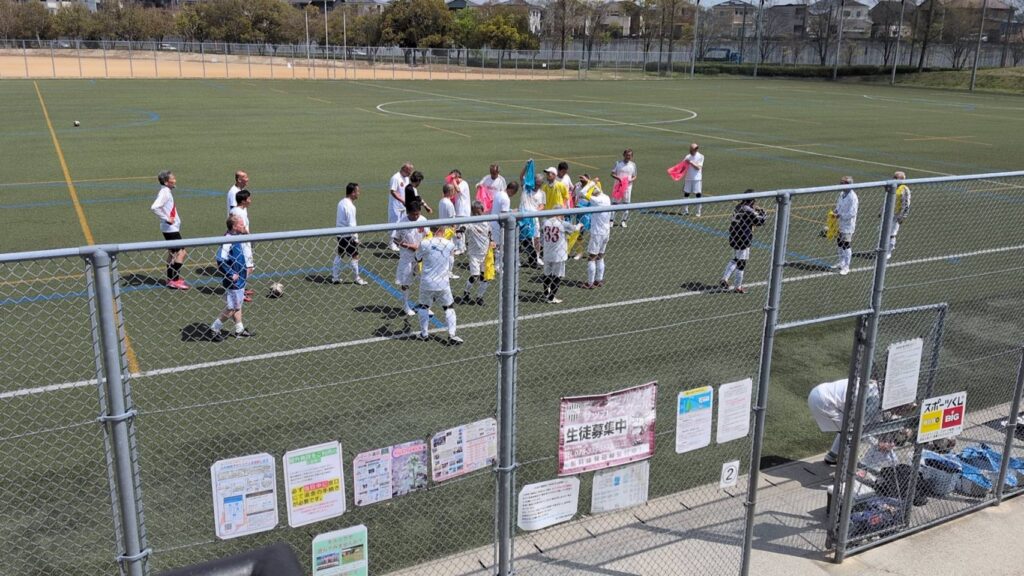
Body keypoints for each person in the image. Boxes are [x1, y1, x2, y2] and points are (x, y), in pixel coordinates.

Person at [807, 378, 884, 466]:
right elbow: (862, 429)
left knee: (847, 427)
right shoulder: (875, 400)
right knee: (850, 433)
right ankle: (848, 469)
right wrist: (877, 443)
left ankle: (832, 456)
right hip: (825, 401)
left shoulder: (874, 387)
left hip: (820, 391)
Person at [415, 226, 463, 345]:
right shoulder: (449, 244)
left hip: (427, 281)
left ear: (432, 231)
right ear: (443, 231)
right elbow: (451, 257)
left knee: (424, 306)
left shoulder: (425, 243)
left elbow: (417, 258)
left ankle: (424, 334)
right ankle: (452, 335)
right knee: (449, 307)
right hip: (443, 282)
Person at [209, 214, 253, 340]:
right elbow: (220, 259)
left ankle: (239, 330)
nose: (244, 226)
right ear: (234, 226)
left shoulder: (237, 237)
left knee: (238, 304)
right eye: (241, 224)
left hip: (240, 278)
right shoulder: (228, 239)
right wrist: (230, 273)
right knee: (232, 307)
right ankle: (214, 328)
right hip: (234, 280)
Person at [720, 190, 767, 294]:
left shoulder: (738, 207)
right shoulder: (749, 211)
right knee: (741, 263)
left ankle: (725, 278)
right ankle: (738, 286)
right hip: (743, 238)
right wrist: (763, 214)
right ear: (752, 200)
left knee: (735, 259)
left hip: (734, 236)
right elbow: (760, 221)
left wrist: (754, 210)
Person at [150, 170, 189, 290]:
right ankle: (175, 280)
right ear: (167, 182)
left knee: (172, 253)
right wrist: (167, 218)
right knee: (181, 252)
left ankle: (170, 279)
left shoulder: (166, 191)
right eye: (173, 178)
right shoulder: (165, 193)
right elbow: (154, 207)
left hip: (169, 228)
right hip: (170, 229)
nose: (175, 180)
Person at [393, 204, 429, 316]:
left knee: (424, 280)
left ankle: (424, 304)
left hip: (421, 255)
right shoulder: (402, 223)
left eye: (418, 214)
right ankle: (405, 305)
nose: (416, 216)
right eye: (414, 214)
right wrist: (407, 245)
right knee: (405, 282)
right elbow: (395, 239)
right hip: (406, 257)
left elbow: (428, 235)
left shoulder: (423, 220)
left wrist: (420, 246)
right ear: (408, 213)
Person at [332, 183, 369, 286]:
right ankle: (357, 278)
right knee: (355, 256)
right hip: (348, 236)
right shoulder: (350, 206)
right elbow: (352, 224)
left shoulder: (341, 202)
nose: (359, 193)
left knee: (340, 254)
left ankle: (335, 277)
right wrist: (355, 238)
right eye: (357, 191)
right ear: (353, 193)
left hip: (340, 234)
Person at [540, 215, 582, 304]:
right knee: (557, 276)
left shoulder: (545, 222)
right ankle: (551, 298)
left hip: (547, 252)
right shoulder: (562, 223)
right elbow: (574, 229)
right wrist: (579, 225)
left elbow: (542, 234)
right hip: (559, 255)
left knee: (547, 274)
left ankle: (546, 293)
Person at [461, 201, 494, 305]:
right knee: (475, 276)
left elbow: (489, 233)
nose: (477, 215)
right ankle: (466, 293)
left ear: (482, 211)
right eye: (474, 213)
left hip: (485, 254)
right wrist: (460, 231)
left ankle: (480, 297)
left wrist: (492, 241)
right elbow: (463, 227)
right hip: (474, 254)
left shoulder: (486, 222)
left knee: (485, 277)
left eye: (478, 212)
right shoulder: (470, 222)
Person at [583, 178, 612, 289]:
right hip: (606, 231)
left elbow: (583, 193)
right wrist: (591, 181)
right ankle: (599, 280)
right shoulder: (606, 197)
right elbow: (598, 190)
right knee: (600, 256)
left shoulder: (596, 200)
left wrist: (590, 183)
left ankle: (590, 283)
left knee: (591, 257)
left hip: (597, 232)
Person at [229, 190, 256, 302]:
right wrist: (250, 237)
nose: (250, 200)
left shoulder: (237, 210)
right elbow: (242, 228)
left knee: (245, 268)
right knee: (248, 268)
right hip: (243, 243)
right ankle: (239, 290)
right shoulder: (239, 212)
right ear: (243, 201)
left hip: (240, 242)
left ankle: (241, 289)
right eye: (249, 198)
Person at [490, 180, 518, 275]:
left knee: (494, 246)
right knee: (499, 246)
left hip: (492, 222)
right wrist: (512, 212)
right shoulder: (506, 199)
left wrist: (510, 210)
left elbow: (500, 209)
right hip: (498, 225)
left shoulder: (499, 193)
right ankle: (497, 266)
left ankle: (492, 264)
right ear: (512, 190)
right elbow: (504, 215)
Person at [834, 176, 859, 275]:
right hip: (839, 223)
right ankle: (841, 262)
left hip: (848, 225)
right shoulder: (842, 194)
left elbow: (852, 213)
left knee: (846, 245)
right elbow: (838, 205)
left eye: (842, 183)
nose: (840, 185)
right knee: (839, 243)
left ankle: (846, 266)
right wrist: (836, 211)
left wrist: (840, 215)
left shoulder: (853, 197)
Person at [388, 162, 414, 250]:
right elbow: (393, 191)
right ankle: (391, 243)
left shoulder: (406, 178)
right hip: (395, 206)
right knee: (394, 224)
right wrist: (402, 201)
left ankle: (400, 242)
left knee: (403, 224)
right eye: (409, 171)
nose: (410, 173)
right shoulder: (396, 178)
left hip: (404, 206)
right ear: (405, 169)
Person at [886, 171, 911, 260]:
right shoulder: (892, 187)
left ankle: (889, 251)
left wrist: (902, 216)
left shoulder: (904, 189)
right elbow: (887, 200)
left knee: (892, 234)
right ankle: (883, 249)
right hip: (888, 214)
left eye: (895, 178)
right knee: (884, 232)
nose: (893, 179)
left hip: (896, 215)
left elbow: (906, 205)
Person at [610, 148, 637, 227]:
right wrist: (619, 179)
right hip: (618, 186)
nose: (628, 157)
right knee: (614, 203)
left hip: (628, 187)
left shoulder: (633, 165)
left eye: (630, 155)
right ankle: (611, 220)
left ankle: (623, 221)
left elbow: (635, 176)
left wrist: (630, 180)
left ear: (632, 156)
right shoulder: (618, 163)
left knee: (626, 203)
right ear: (623, 155)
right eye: (627, 155)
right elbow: (612, 174)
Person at [437, 184, 459, 279]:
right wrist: (456, 231)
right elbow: (452, 220)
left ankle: (443, 271)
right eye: (453, 190)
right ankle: (448, 272)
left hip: (442, 230)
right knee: (451, 252)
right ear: (450, 191)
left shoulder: (441, 201)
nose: (454, 192)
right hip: (448, 231)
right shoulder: (449, 204)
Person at [450, 169, 472, 255]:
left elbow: (458, 190)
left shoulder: (463, 183)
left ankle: (461, 248)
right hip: (459, 211)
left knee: (460, 230)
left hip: (463, 211)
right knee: (458, 229)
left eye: (454, 177)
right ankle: (460, 246)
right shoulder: (458, 184)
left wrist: (453, 180)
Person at [682, 143, 704, 217]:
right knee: (686, 194)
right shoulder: (687, 156)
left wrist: (691, 162)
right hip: (688, 178)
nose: (694, 150)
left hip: (697, 179)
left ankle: (698, 212)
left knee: (698, 194)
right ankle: (685, 211)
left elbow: (698, 167)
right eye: (692, 149)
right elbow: (683, 166)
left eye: (695, 149)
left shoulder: (701, 156)